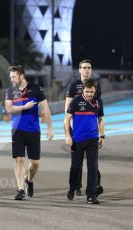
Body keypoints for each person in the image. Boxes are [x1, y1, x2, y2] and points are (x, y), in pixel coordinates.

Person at [4, 65, 53, 200]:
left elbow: (45, 108)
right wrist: (25, 107)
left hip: (33, 130)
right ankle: (20, 189)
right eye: (11, 77)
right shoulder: (10, 91)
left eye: (14, 77)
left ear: (21, 76)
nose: (12, 79)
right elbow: (8, 108)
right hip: (17, 129)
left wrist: (50, 128)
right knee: (19, 159)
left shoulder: (35, 88)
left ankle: (29, 181)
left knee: (35, 163)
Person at [65, 59, 103, 197]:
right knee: (77, 163)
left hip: (91, 131)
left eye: (89, 67)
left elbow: (98, 106)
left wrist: (101, 133)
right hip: (76, 126)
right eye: (84, 67)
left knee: (93, 164)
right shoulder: (73, 86)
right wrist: (69, 128)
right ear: (80, 70)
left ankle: (94, 187)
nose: (87, 70)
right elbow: (68, 107)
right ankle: (75, 186)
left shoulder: (95, 85)